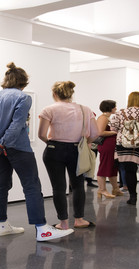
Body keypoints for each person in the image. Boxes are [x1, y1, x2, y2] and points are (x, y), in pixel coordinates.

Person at [0, 62, 74, 241]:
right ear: (24, 82)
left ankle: (1, 225)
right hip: (18, 148)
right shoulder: (23, 98)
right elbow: (16, 125)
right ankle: (42, 228)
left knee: (1, 184)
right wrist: (1, 146)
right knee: (31, 186)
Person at [38, 81, 99, 230]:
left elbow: (41, 134)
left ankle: (63, 223)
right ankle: (79, 219)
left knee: (58, 187)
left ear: (54, 94)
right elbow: (96, 133)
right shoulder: (85, 109)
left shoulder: (49, 109)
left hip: (54, 149)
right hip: (77, 149)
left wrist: (52, 143)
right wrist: (86, 143)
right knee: (78, 185)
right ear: (71, 94)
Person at [95, 100, 121, 198]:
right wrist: (115, 132)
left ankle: (115, 188)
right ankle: (102, 190)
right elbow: (100, 132)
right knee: (104, 166)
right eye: (114, 107)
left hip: (111, 146)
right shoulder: (103, 118)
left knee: (113, 167)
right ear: (110, 107)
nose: (116, 108)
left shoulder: (107, 118)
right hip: (106, 146)